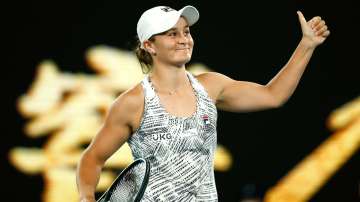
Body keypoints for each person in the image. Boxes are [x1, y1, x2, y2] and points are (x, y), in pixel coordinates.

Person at [76, 5, 330, 202]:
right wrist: (86, 198)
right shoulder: (132, 102)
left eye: (186, 32)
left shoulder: (211, 86)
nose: (184, 39)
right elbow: (91, 159)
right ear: (149, 45)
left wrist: (306, 45)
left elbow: (272, 95)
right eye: (171, 34)